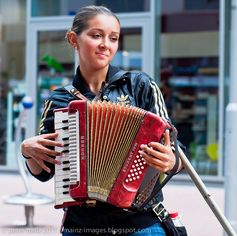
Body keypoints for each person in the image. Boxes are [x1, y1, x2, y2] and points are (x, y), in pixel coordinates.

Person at [21, 5, 183, 236]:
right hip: (82, 226)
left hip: (141, 224)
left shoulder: (140, 85)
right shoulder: (59, 100)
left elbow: (178, 151)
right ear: (73, 39)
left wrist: (170, 162)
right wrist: (27, 151)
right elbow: (44, 172)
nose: (106, 44)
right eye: (96, 35)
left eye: (113, 38)